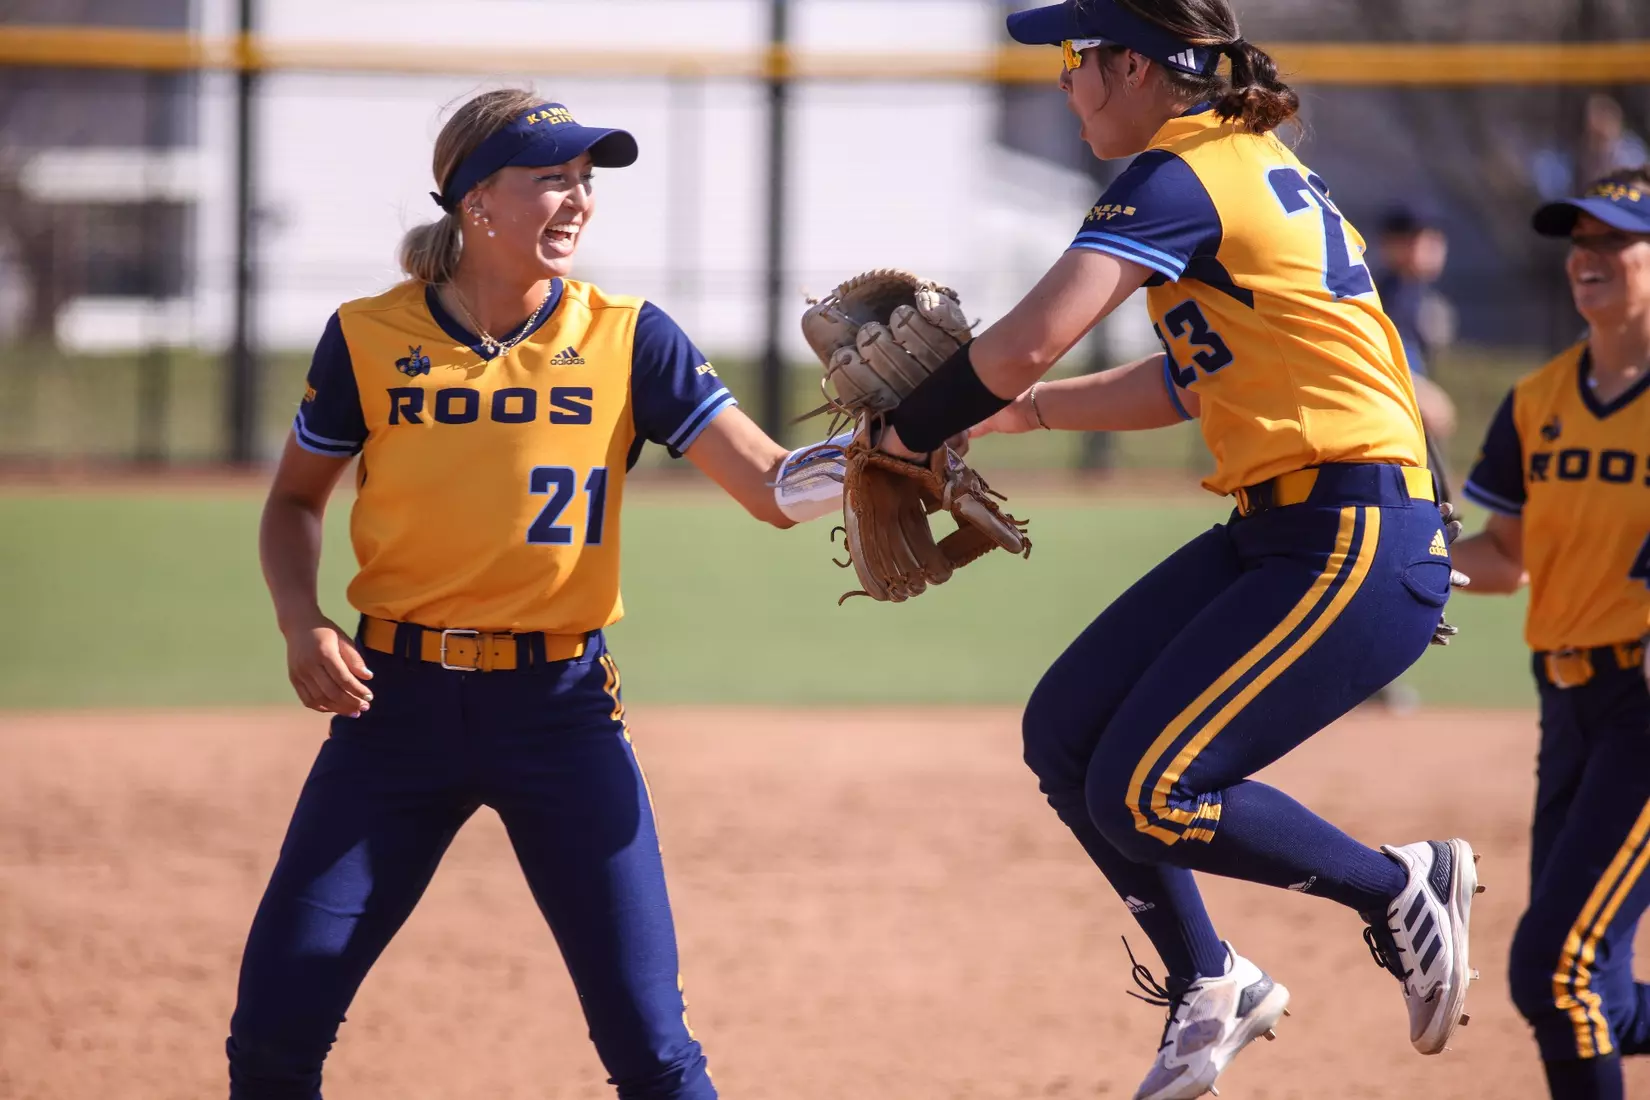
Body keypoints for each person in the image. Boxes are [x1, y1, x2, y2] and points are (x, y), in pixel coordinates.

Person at [875, 2, 1479, 1097]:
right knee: (1067, 732)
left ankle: (1400, 884)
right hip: (1293, 525)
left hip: (1355, 531)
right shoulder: (1230, 163)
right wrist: (1017, 414)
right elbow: (1186, 378)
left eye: (1075, 58)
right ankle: (1214, 977)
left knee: (1149, 789)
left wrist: (905, 427)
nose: (1065, 82)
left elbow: (1024, 338)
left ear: (1143, 66)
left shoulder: (1178, 173)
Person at [228, 88, 847, 1100]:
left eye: (586, 181)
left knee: (653, 1049)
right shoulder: (367, 336)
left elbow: (774, 488)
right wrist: (302, 621)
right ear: (476, 203)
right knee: (271, 1034)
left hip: (559, 712)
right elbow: (293, 502)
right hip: (393, 711)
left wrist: (892, 448)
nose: (578, 200)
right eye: (551, 178)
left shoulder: (628, 335)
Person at [1454, 168, 1650, 1100]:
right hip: (1564, 703)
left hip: (1643, 708)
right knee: (1596, 993)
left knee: (1554, 969)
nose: (1590, 259)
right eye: (1580, 243)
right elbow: (1506, 556)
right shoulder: (1538, 399)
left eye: (1616, 240)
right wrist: (1402, 561)